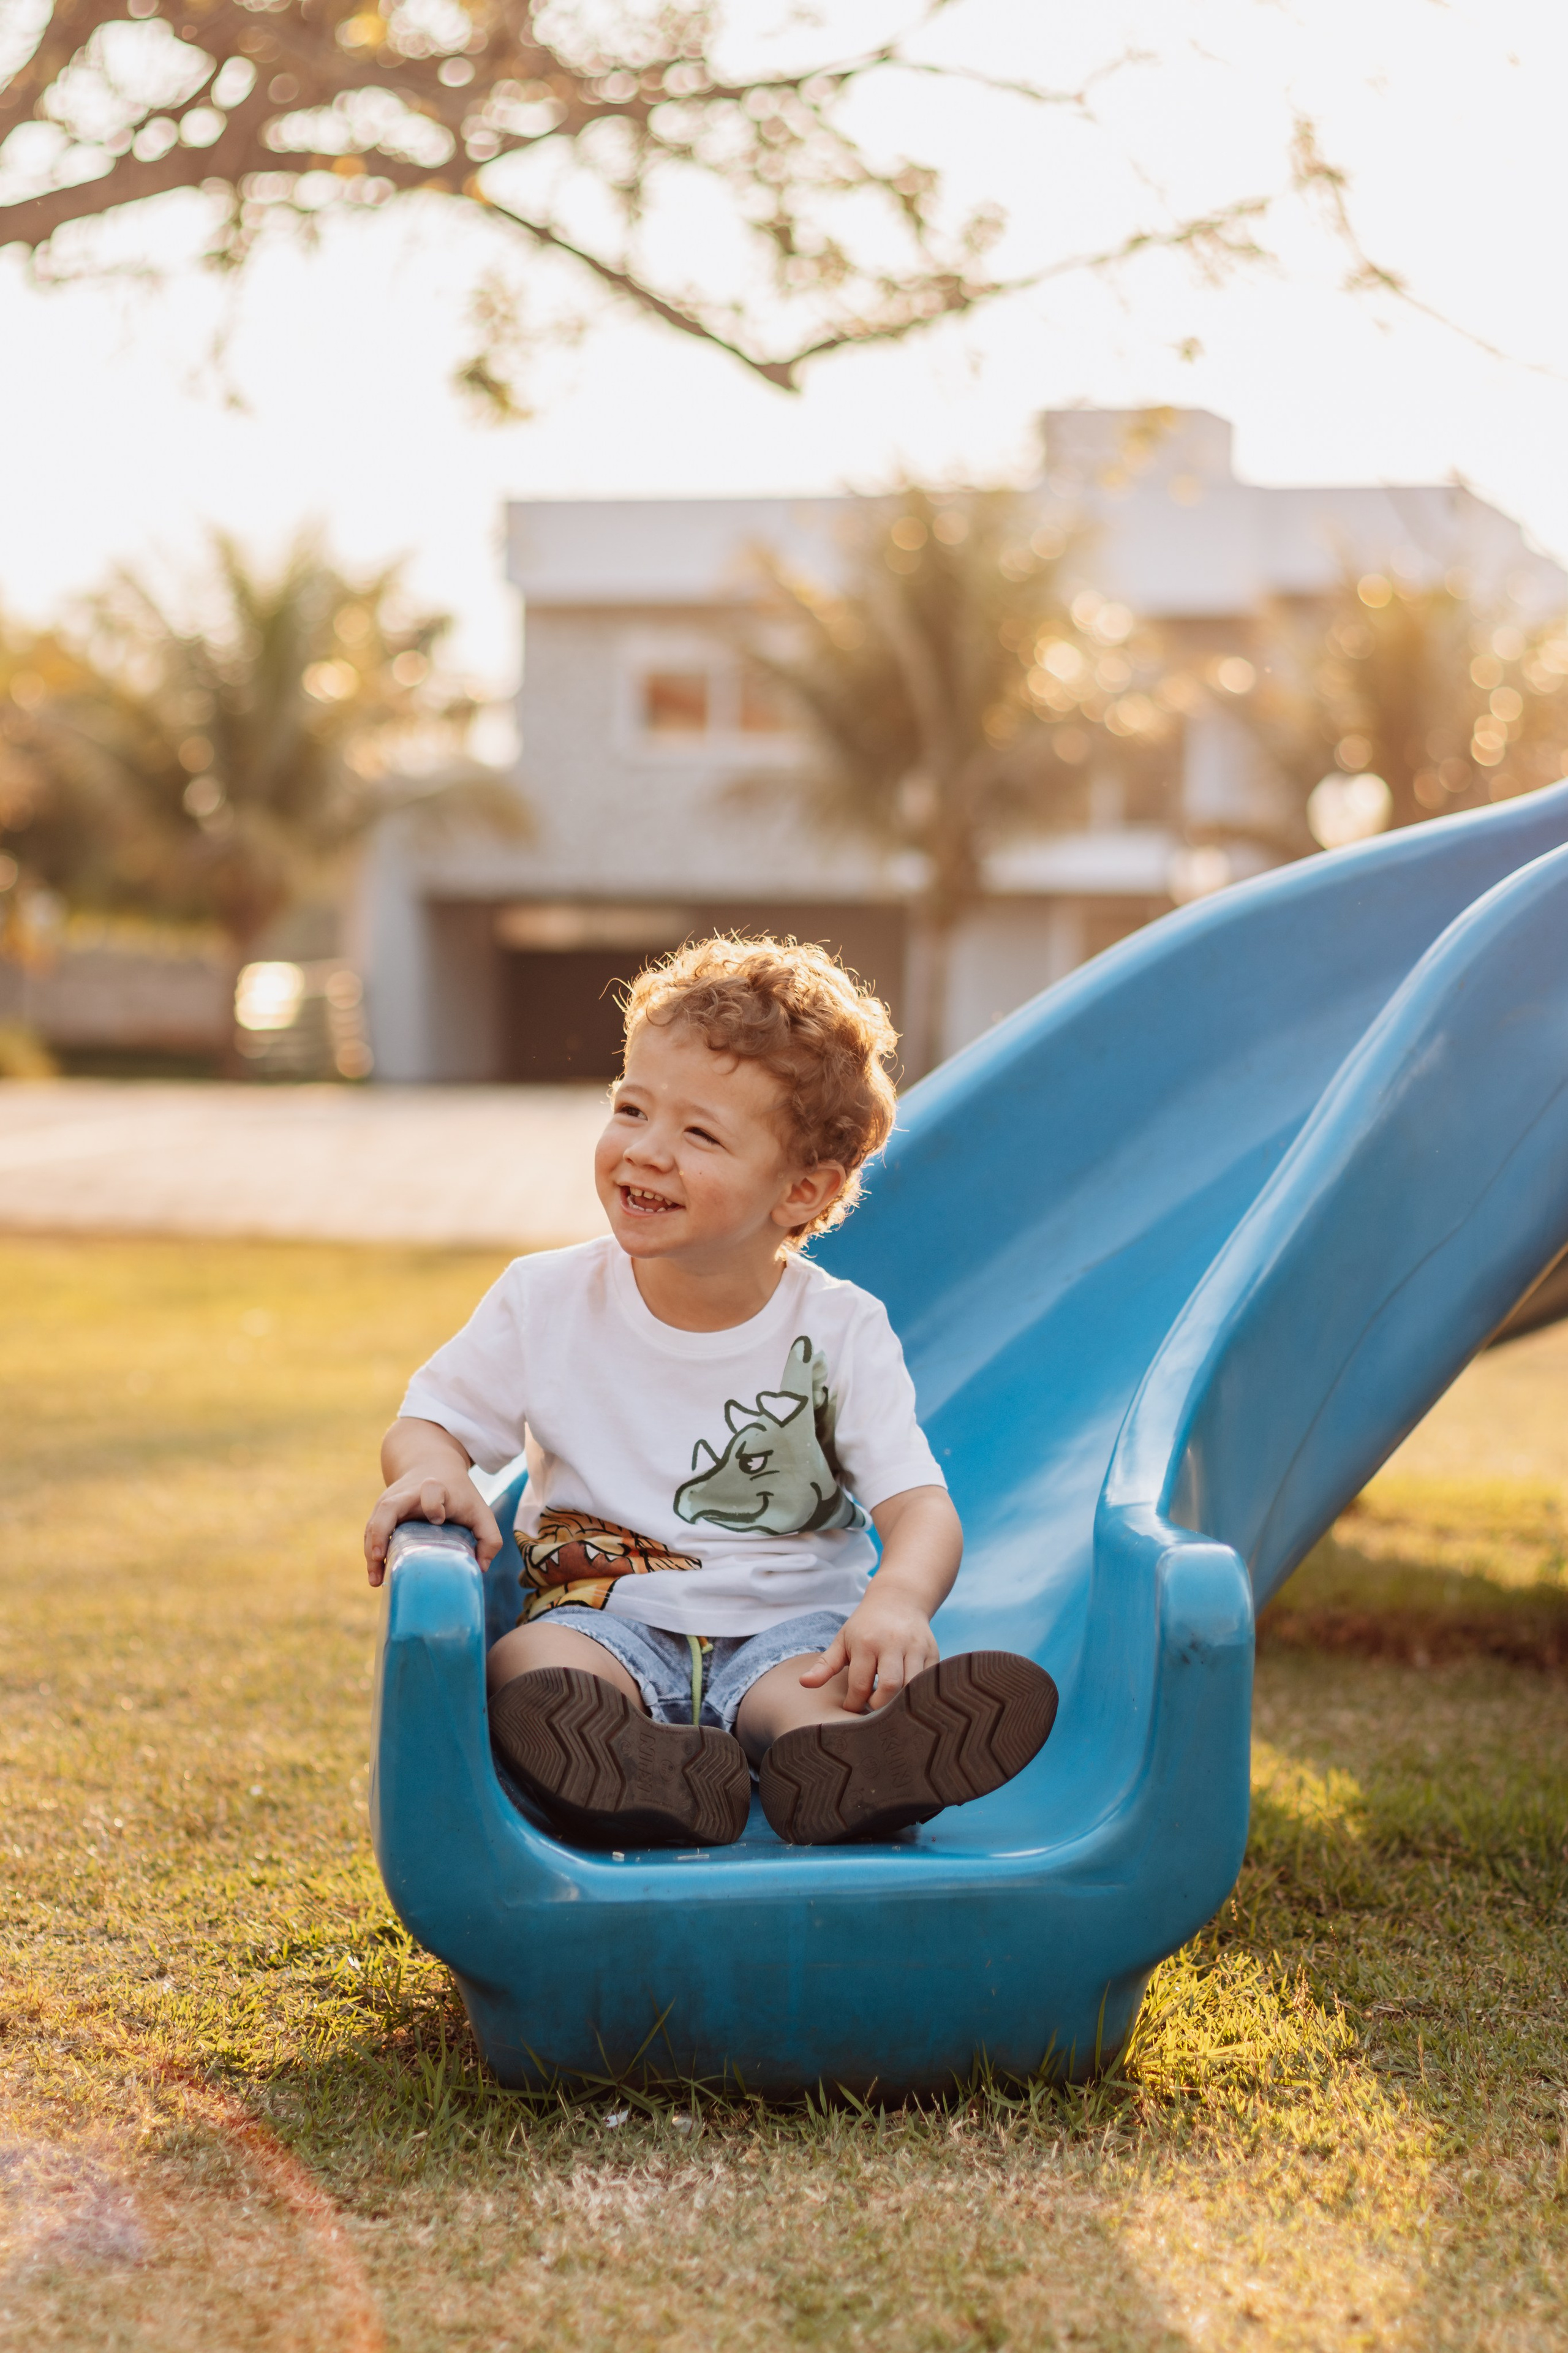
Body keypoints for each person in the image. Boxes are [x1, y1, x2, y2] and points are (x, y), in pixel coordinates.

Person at [363, 936, 1056, 1849]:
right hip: (605, 1615)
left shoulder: (840, 1330)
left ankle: (854, 1769)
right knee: (529, 1666)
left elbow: (921, 1506)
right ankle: (639, 1771)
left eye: (699, 1133)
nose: (646, 1150)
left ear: (802, 1189)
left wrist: (895, 1600)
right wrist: (431, 1472)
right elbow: (432, 1422)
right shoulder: (546, 1299)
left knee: (815, 1695)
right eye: (632, 1108)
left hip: (791, 1624)